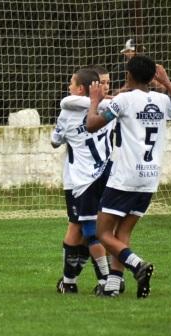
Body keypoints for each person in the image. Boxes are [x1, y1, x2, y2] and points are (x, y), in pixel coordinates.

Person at [86, 55, 171, 298]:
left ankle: (137, 265)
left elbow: (92, 124)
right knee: (122, 234)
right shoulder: (163, 100)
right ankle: (113, 285)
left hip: (125, 178)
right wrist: (166, 83)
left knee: (102, 234)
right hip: (149, 179)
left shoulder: (123, 100)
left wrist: (93, 101)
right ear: (154, 77)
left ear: (128, 75)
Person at [51, 67, 114, 294]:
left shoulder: (67, 113)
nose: (68, 86)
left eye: (71, 82)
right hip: (107, 176)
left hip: (80, 181)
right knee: (86, 229)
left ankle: (103, 280)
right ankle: (71, 281)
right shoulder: (109, 109)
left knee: (85, 230)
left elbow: (55, 141)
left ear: (79, 88)